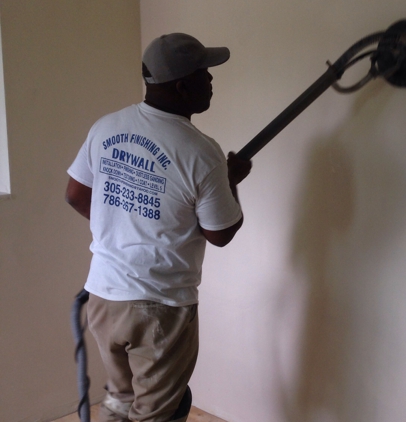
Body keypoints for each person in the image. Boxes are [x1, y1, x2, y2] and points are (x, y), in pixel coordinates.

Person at [65, 33, 251, 422]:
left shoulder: (107, 127)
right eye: (205, 74)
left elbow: (76, 194)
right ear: (183, 85)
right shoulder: (201, 152)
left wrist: (124, 232)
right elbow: (221, 233)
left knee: (120, 396)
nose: (212, 81)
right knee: (158, 413)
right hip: (159, 307)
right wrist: (230, 179)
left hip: (103, 295)